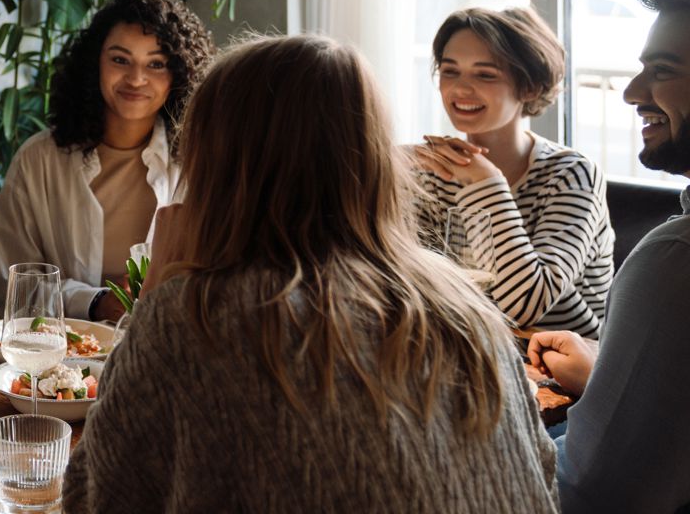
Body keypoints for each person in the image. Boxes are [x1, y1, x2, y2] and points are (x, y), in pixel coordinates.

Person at [65, 35, 558, 513]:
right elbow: (543, 479)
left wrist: (158, 292)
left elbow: (93, 497)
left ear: (217, 161)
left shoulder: (197, 315)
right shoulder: (467, 306)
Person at [527, 0, 690, 513]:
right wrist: (610, 379)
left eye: (662, 71)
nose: (631, 92)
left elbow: (587, 493)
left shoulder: (675, 259)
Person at [0, 0, 212, 321]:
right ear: (95, 63)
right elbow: (12, 288)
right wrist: (95, 302)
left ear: (179, 74)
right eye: (120, 60)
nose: (136, 79)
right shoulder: (39, 160)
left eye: (156, 64)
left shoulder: (199, 163)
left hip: (166, 349)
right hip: (59, 360)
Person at [414, 7, 613, 337]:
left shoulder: (572, 175)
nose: (460, 89)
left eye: (485, 75)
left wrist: (486, 183)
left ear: (531, 87)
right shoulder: (432, 172)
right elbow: (409, 284)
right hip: (471, 353)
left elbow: (525, 304)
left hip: (561, 375)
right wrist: (392, 159)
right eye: (450, 71)